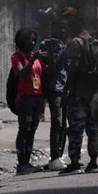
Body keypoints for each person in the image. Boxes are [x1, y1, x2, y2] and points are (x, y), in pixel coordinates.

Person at [63, 9, 98, 173]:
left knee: (76, 128)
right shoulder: (95, 42)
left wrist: (67, 90)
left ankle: (74, 163)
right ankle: (93, 162)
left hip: (79, 93)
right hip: (94, 92)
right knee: (93, 128)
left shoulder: (75, 43)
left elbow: (73, 70)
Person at [10, 28, 45, 174]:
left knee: (32, 131)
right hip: (25, 98)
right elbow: (21, 74)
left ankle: (27, 162)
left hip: (37, 98)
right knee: (24, 129)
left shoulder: (35, 57)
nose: (33, 42)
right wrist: (31, 61)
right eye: (30, 39)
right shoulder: (16, 56)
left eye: (34, 39)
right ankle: (21, 163)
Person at [37, 16, 69, 171]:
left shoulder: (65, 46)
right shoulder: (45, 45)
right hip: (52, 88)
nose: (61, 33)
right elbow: (49, 67)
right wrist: (51, 51)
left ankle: (59, 156)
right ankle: (54, 156)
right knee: (56, 122)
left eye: (63, 29)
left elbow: (66, 68)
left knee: (63, 124)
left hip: (63, 87)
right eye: (58, 29)